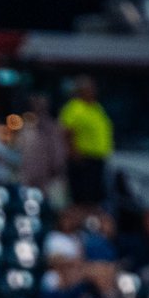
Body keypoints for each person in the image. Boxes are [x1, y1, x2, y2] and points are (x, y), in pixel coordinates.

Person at [58, 75, 113, 206]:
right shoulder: (74, 108)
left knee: (96, 196)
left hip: (97, 158)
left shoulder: (96, 107)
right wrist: (74, 152)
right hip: (83, 159)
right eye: (89, 89)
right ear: (81, 91)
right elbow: (67, 132)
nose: (93, 91)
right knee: (82, 197)